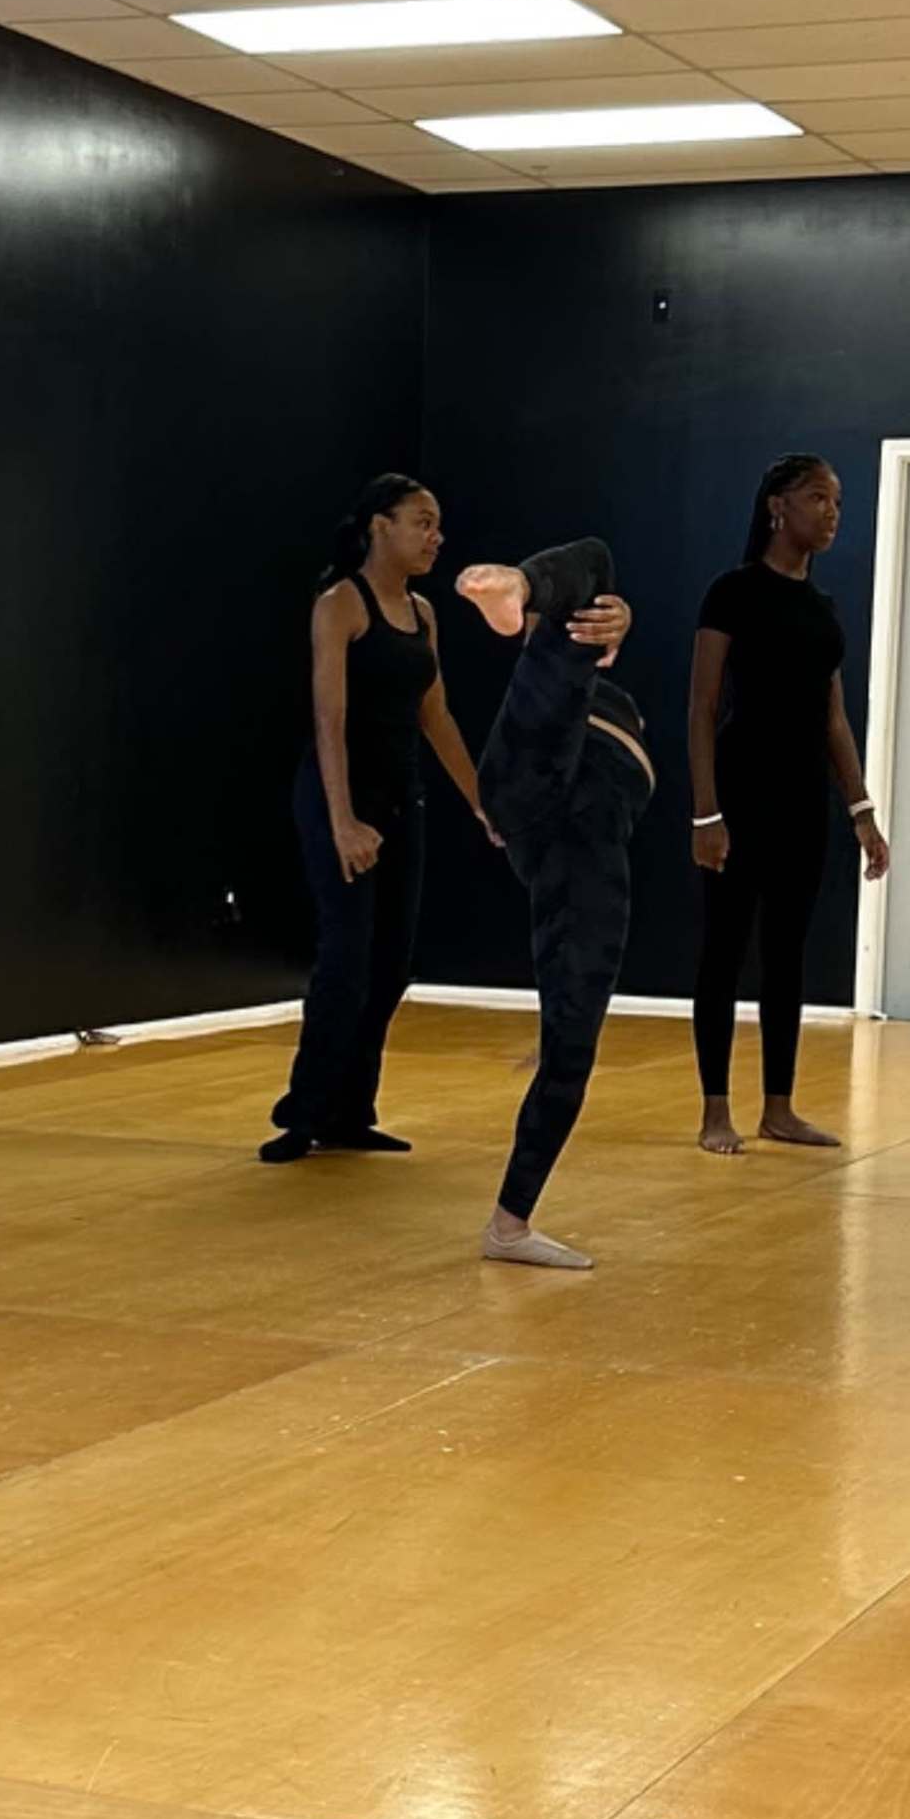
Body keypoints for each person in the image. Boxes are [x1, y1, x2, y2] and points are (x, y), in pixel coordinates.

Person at [266, 471, 487, 1161]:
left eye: (438, 524)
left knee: (392, 963)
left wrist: (484, 802)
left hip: (402, 801)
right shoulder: (341, 605)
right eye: (422, 521)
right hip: (339, 798)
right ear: (379, 527)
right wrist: (341, 822)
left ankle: (350, 1111)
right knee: (346, 960)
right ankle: (303, 1112)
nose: (436, 537)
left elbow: (436, 715)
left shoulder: (424, 614)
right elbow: (328, 722)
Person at [687, 451, 890, 1156]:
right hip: (742, 793)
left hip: (804, 800)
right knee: (723, 953)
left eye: (836, 501)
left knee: (787, 955)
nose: (832, 512)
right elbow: (703, 705)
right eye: (817, 498)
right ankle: (716, 1108)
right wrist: (706, 814)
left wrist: (861, 809)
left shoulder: (822, 609)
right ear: (778, 505)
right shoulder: (733, 593)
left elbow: (834, 718)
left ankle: (779, 1106)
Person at [458, 539, 645, 1273]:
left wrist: (613, 625)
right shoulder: (558, 672)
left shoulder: (584, 658)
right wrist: (535, 599)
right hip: (548, 797)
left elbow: (593, 614)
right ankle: (518, 587)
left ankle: (509, 1224)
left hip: (570, 834)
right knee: (599, 553)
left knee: (573, 1042)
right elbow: (592, 572)